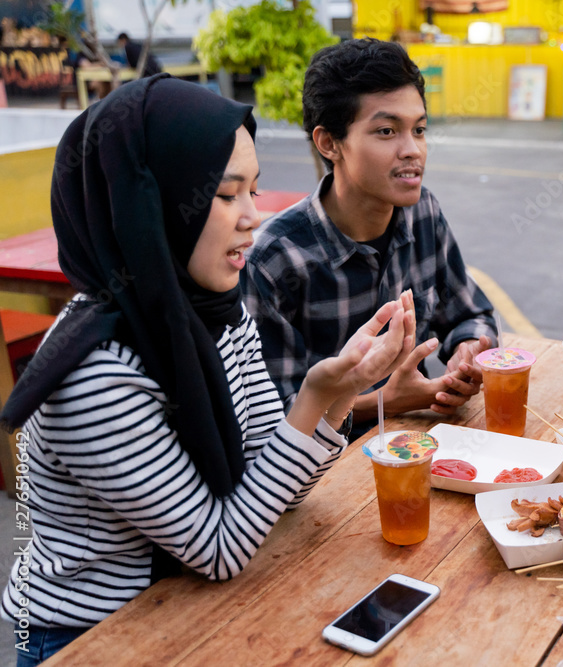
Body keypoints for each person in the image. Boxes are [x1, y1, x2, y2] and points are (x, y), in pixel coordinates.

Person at [0, 75, 414, 667]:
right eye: (224, 194)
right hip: (91, 637)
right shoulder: (94, 373)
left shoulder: (214, 311)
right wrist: (312, 395)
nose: (253, 217)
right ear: (151, 206)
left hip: (191, 607)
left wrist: (341, 393)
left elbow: (279, 491)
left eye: (255, 189)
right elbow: (219, 547)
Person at [242, 38, 496, 440]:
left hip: (418, 446)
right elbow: (272, 415)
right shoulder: (274, 258)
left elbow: (470, 314)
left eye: (419, 130)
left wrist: (469, 352)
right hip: (321, 469)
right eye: (386, 131)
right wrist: (385, 401)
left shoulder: (423, 213)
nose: (412, 150)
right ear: (329, 143)